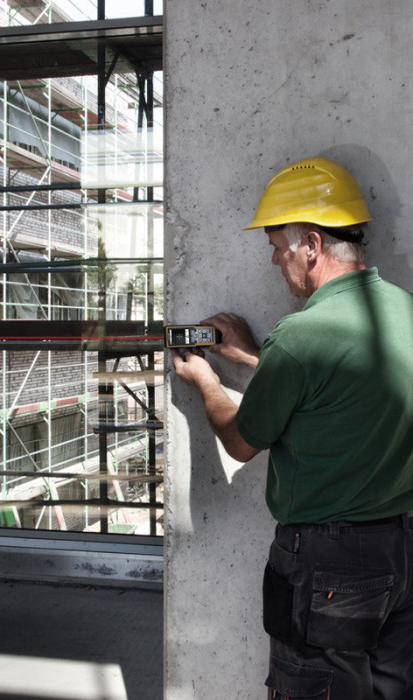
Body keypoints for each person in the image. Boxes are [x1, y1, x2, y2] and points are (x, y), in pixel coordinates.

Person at [172, 156, 413, 699]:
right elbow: (348, 387)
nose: (276, 263)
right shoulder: (404, 313)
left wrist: (206, 380)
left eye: (279, 249)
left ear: (311, 244)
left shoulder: (302, 335)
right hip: (399, 550)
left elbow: (240, 440)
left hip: (327, 566)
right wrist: (262, 359)